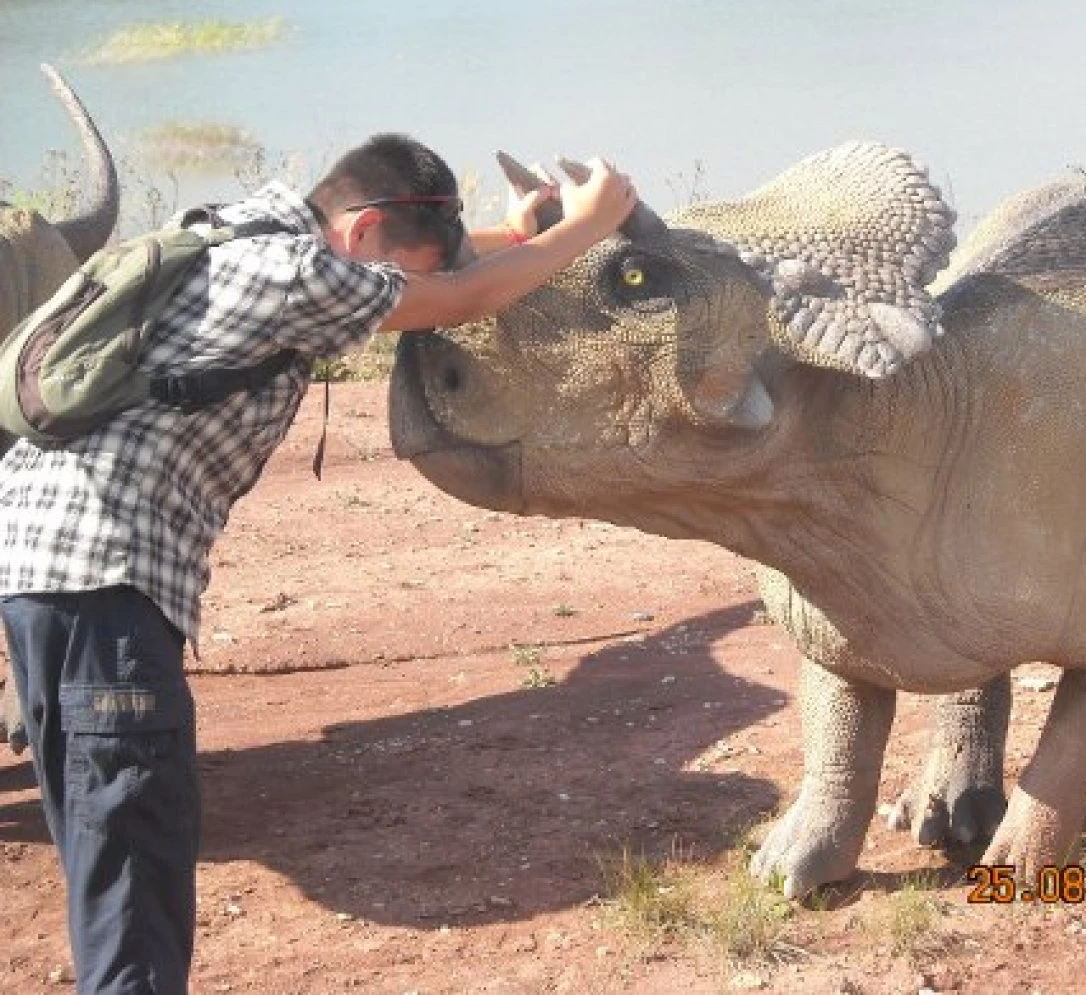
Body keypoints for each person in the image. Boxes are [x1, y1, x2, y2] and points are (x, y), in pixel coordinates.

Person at [0, 133, 637, 994]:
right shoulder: (295, 275)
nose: (396, 290)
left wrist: (518, 236)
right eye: (397, 268)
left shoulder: (227, 228)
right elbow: (458, 298)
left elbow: (433, 274)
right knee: (136, 876)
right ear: (362, 229)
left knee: (103, 852)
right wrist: (588, 227)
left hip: (38, 573)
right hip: (107, 584)